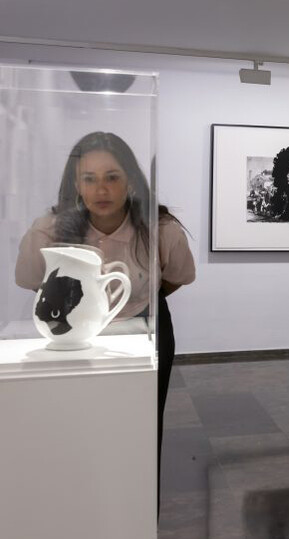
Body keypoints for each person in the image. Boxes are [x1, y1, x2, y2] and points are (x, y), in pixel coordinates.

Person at [14, 131, 196, 512]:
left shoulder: (160, 228)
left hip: (145, 329)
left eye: (112, 176)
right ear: (75, 183)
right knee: (77, 425)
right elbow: (33, 282)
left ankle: (139, 511)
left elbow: (174, 278)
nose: (102, 189)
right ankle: (81, 508)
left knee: (142, 427)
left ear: (130, 179)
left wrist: (135, 308)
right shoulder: (49, 228)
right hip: (73, 337)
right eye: (89, 178)